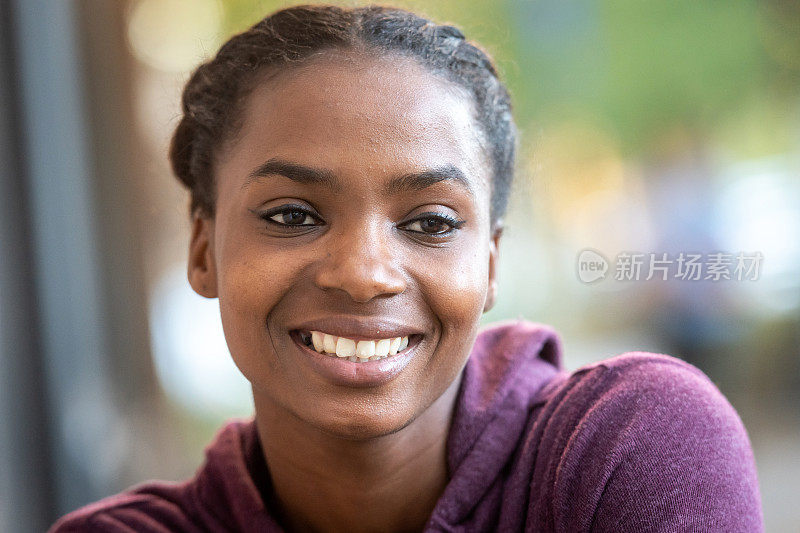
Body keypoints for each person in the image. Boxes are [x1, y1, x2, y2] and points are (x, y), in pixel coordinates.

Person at [51, 4, 763, 532]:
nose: (364, 274)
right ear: (203, 249)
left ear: (490, 264)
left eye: (430, 223)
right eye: (293, 214)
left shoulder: (626, 450)